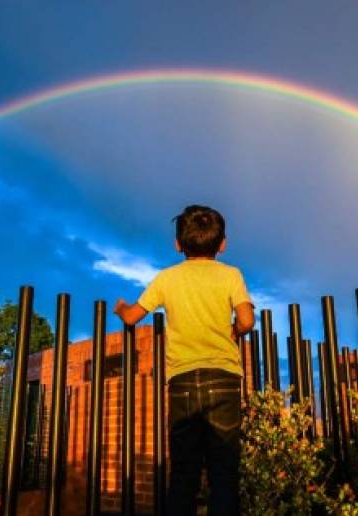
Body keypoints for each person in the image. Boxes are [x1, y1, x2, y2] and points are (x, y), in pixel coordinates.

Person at [114, 205, 255, 516]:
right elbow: (246, 321)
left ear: (178, 244)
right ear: (222, 244)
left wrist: (122, 308)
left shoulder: (166, 279)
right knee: (224, 473)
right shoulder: (231, 275)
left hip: (182, 382)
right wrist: (232, 330)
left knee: (184, 473)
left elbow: (134, 317)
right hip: (224, 378)